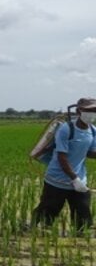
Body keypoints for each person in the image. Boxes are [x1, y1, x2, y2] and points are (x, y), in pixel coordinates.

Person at [31, 97, 96, 234]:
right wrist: (74, 178)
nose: (93, 113)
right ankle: (31, 227)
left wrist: (78, 179)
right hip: (57, 179)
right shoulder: (66, 129)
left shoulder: (93, 131)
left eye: (95, 110)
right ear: (79, 111)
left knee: (83, 210)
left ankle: (80, 233)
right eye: (89, 110)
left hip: (79, 178)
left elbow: (89, 152)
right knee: (49, 208)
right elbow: (62, 156)